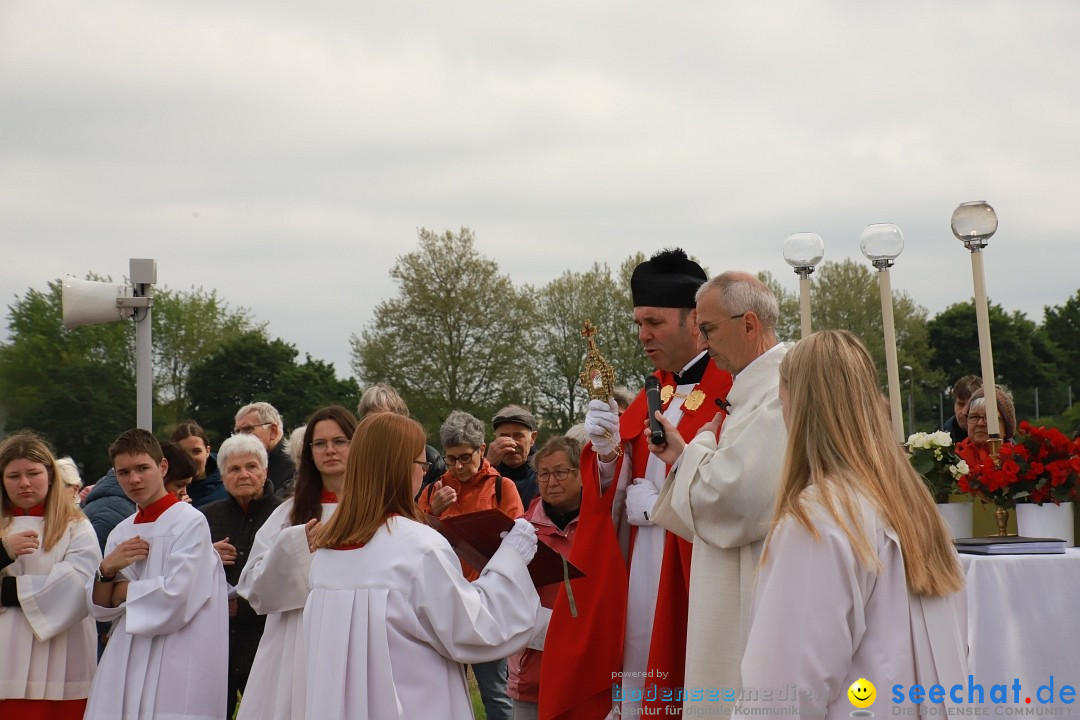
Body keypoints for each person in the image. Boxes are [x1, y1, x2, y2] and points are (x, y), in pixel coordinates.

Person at [541, 249, 733, 720]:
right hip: (642, 574)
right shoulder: (654, 391)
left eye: (653, 322)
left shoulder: (734, 390)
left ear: (695, 322)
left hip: (695, 571)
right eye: (637, 323)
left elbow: (736, 488)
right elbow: (612, 498)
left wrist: (659, 506)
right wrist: (607, 453)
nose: (642, 335)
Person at [739, 330, 967, 718]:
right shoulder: (913, 503)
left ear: (804, 408)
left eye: (783, 403)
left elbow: (786, 687)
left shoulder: (818, 517)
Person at [304, 412, 542, 720]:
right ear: (400, 470)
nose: (424, 474)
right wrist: (512, 558)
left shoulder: (327, 553)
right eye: (421, 465)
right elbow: (475, 629)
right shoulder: (418, 546)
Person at [647, 270, 787, 717]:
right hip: (731, 575)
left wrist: (699, 448)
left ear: (749, 324)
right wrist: (684, 454)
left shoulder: (781, 391)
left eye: (707, 329)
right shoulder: (751, 390)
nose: (703, 343)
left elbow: (731, 500)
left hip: (756, 579)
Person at [84, 428, 228, 719]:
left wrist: (122, 592)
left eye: (142, 468)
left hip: (176, 649)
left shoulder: (189, 522)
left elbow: (178, 595)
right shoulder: (121, 531)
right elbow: (101, 608)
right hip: (126, 651)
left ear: (162, 467)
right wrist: (107, 570)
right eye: (124, 472)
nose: (134, 479)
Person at [235, 405, 358, 720]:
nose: (329, 450)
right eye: (319, 443)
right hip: (295, 640)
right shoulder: (287, 515)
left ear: (357, 446)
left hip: (355, 640)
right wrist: (294, 545)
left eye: (340, 441)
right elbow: (252, 587)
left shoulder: (376, 514)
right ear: (309, 453)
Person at [418, 410, 524, 720]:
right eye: (451, 459)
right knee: (441, 692)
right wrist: (431, 514)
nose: (458, 467)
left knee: (496, 695)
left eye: (465, 457)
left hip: (486, 605)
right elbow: (410, 540)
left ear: (481, 449)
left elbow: (517, 545)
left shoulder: (502, 487)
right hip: (442, 604)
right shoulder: (433, 489)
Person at [1, 433, 101, 719]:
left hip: (60, 654)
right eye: (13, 475)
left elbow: (78, 584)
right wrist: (3, 551)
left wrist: (6, 592)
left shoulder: (76, 526)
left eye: (33, 473)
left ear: (50, 475)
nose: (24, 483)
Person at [201, 433, 282, 719]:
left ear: (265, 471)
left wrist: (243, 605)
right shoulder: (204, 518)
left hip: (267, 637)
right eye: (234, 469)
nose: (243, 474)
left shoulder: (285, 515)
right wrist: (205, 556)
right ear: (222, 477)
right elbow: (180, 573)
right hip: (216, 639)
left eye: (251, 466)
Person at [508, 436, 582, 720]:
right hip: (533, 674)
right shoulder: (521, 531)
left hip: (585, 672)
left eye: (561, 472)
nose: (552, 482)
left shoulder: (601, 527)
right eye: (544, 474)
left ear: (581, 473)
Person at [356, 382, 445, 492]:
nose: (377, 427)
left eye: (385, 420)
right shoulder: (354, 459)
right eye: (371, 420)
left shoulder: (430, 459)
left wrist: (431, 508)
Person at [234, 402, 295, 497]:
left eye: (248, 429)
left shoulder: (297, 466)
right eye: (237, 431)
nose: (240, 437)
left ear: (273, 431)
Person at [488, 405, 540, 510]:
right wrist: (487, 466)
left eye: (519, 436)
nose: (511, 443)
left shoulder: (544, 472)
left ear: (532, 438)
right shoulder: (486, 470)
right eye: (504, 436)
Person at [956, 386, 1017, 467]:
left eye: (989, 417)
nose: (980, 423)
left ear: (1006, 427)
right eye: (974, 417)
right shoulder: (953, 460)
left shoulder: (1019, 463)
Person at [171, 421, 227, 507]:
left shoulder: (228, 485)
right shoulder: (165, 491)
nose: (190, 458)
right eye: (183, 453)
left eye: (196, 451)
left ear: (207, 451)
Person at [943, 375, 982, 444]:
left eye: (971, 405)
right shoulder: (940, 446)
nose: (964, 412)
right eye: (961, 404)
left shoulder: (996, 443)